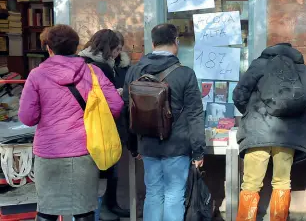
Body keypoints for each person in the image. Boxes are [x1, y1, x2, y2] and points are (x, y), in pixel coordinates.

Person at [18, 24, 124, 221]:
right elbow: (116, 105)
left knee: (46, 211)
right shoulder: (93, 73)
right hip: (84, 150)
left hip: (48, 152)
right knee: (84, 210)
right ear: (76, 47)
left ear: (49, 48)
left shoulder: (37, 75)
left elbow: (27, 117)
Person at [121, 23, 205, 221]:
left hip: (147, 144)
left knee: (153, 193)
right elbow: (195, 114)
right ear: (176, 42)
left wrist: (134, 146)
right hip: (177, 146)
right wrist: (198, 150)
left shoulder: (134, 71)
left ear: (153, 43)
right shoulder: (185, 74)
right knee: (174, 195)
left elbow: (126, 111)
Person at [233, 43, 306, 221]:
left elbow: (239, 94)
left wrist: (249, 114)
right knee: (282, 182)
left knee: (251, 184)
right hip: (287, 136)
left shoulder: (260, 64)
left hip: (257, 131)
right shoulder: (301, 69)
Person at [79, 29, 130, 220]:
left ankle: (110, 204)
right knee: (102, 168)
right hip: (100, 122)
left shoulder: (116, 64)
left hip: (106, 122)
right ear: (108, 48)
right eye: (117, 49)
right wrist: (117, 94)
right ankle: (102, 208)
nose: (119, 53)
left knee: (111, 165)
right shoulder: (96, 66)